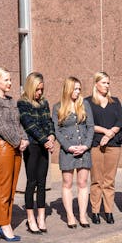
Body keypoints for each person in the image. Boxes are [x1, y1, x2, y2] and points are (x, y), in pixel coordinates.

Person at [0, 67, 29, 241]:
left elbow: (19, 123)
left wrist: (24, 139)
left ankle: (7, 221)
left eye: (10, 79)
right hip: (3, 145)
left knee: (12, 186)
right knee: (3, 186)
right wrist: (17, 141)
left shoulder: (12, 101)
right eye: (6, 80)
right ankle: (3, 224)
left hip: (17, 146)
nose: (10, 83)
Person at [53, 77, 94, 228]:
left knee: (83, 183)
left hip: (84, 150)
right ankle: (70, 216)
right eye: (75, 89)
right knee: (67, 183)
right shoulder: (58, 107)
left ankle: (82, 216)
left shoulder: (85, 105)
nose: (77, 92)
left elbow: (90, 126)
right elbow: (56, 130)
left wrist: (86, 145)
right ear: (68, 89)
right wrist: (68, 146)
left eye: (79, 89)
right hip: (68, 151)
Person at [17, 72, 55, 233]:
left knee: (42, 182)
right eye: (37, 89)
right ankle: (30, 218)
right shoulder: (23, 103)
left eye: (42, 89)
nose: (40, 93)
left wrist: (52, 136)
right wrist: (45, 140)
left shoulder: (44, 102)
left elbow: (48, 121)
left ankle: (41, 217)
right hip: (32, 146)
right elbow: (29, 125)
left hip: (44, 146)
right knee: (31, 182)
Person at [85, 72, 122, 224]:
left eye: (108, 83)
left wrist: (109, 135)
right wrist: (103, 131)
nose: (107, 86)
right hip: (96, 144)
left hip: (113, 144)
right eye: (103, 83)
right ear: (96, 84)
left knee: (109, 180)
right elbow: (87, 123)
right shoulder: (88, 102)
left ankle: (108, 211)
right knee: (96, 180)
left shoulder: (115, 101)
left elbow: (119, 121)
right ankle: (95, 211)